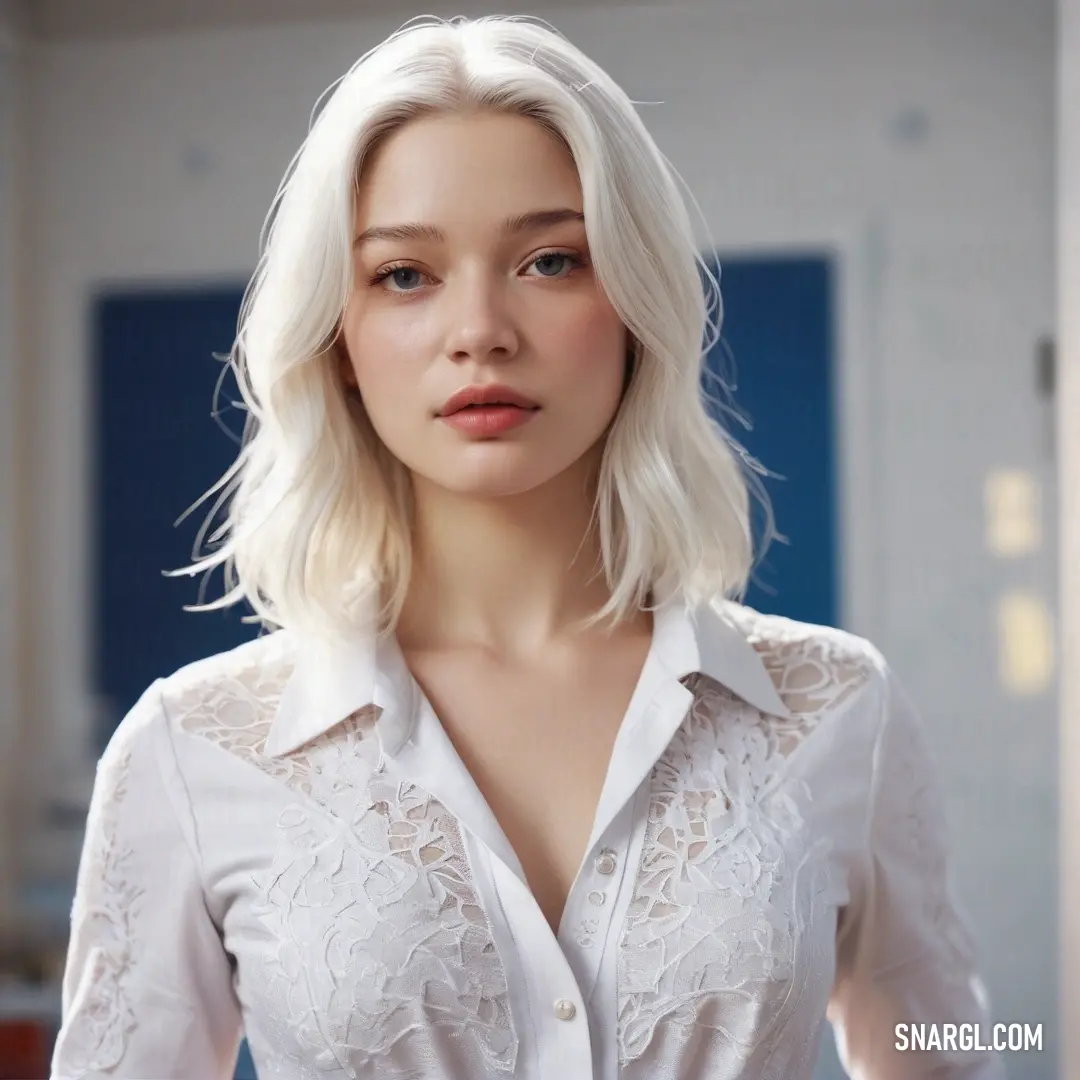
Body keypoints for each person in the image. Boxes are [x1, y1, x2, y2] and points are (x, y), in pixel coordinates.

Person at [51, 14, 1004, 1080]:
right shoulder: (192, 751)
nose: (480, 331)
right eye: (405, 275)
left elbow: (949, 1044)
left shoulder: (836, 708)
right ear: (340, 339)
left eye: (550, 261)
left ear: (636, 302)